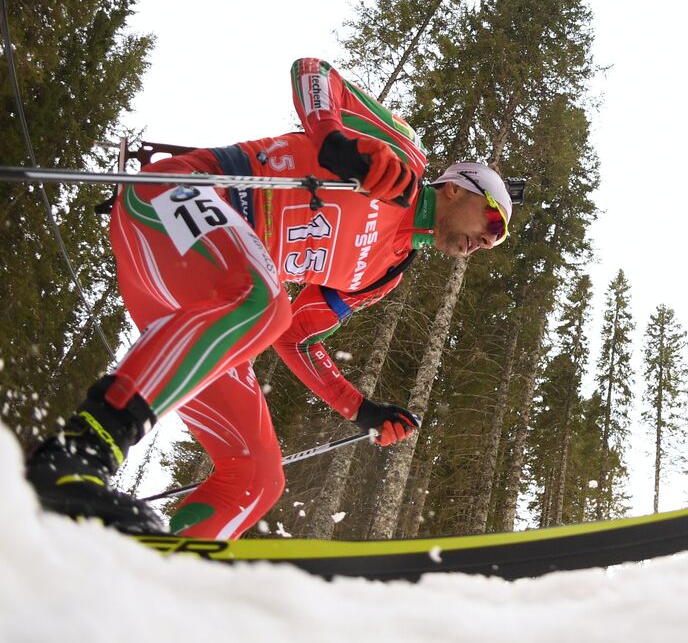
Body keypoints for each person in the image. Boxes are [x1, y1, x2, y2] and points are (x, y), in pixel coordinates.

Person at [25, 57, 515, 538]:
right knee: (263, 299)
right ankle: (80, 453)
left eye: (496, 241)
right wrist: (332, 138)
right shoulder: (404, 154)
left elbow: (296, 338)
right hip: (176, 196)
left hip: (187, 300)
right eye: (491, 221)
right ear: (456, 188)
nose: (485, 242)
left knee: (257, 478)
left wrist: (359, 409)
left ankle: (153, 569)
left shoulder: (384, 273)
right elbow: (313, 72)